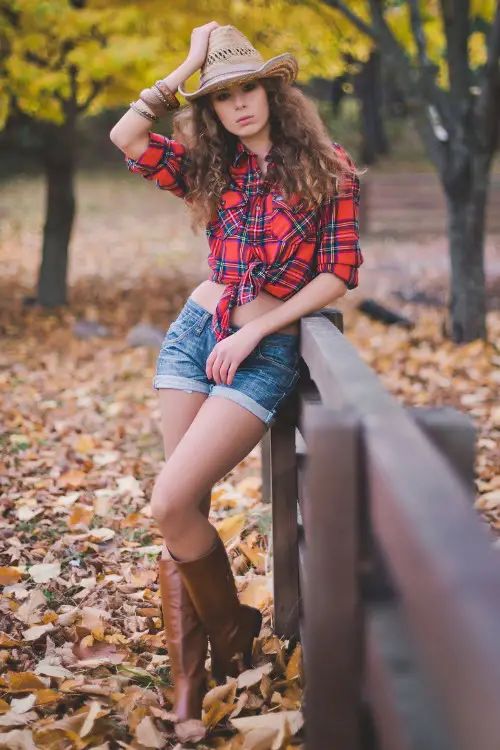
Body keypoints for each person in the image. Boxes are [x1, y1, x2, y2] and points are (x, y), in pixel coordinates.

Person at [110, 21, 364, 724]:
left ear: (272, 91)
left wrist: (261, 326)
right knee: (177, 512)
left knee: (169, 502)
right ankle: (196, 678)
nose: (239, 105)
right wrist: (186, 65)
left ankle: (231, 636)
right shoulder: (212, 166)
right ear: (212, 109)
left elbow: (338, 273)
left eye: (248, 88)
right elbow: (126, 140)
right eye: (222, 96)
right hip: (194, 337)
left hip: (263, 351)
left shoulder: (326, 166)